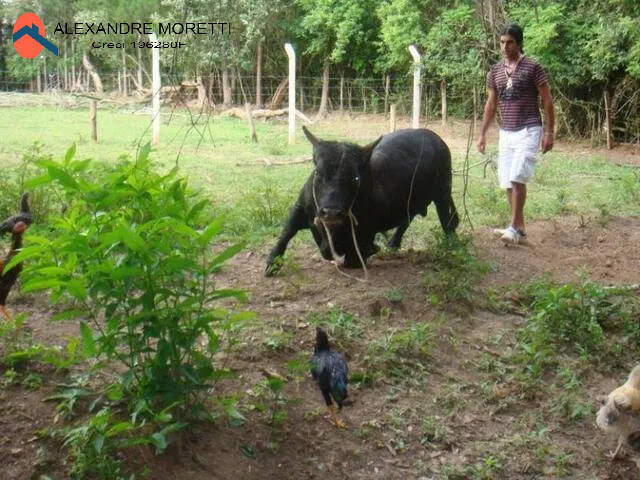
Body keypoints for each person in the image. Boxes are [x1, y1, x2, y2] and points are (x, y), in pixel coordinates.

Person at [477, 23, 555, 245]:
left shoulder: (533, 67)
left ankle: (513, 227)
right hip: (506, 131)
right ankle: (518, 227)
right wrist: (482, 134)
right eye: (502, 42)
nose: (504, 46)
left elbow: (547, 100)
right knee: (507, 181)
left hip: (529, 129)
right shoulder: (495, 71)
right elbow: (491, 105)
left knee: (517, 176)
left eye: (509, 42)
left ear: (519, 43)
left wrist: (549, 132)